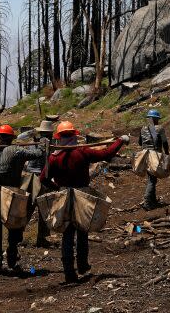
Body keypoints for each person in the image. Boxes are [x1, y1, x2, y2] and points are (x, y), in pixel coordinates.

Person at [40, 121, 129, 284]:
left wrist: (56, 187)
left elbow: (43, 178)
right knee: (82, 230)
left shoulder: (53, 158)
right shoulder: (82, 152)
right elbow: (106, 154)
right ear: (74, 135)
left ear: (58, 137)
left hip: (64, 195)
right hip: (82, 195)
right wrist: (120, 141)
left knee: (67, 233)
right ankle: (82, 266)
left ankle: (69, 272)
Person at [0, 124, 45, 274]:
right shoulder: (17, 150)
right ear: (11, 138)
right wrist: (42, 145)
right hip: (12, 194)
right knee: (15, 226)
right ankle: (12, 258)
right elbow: (37, 154)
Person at [23, 119, 56, 247]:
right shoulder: (49, 144)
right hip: (41, 178)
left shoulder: (34, 142)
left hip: (31, 178)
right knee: (44, 209)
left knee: (28, 208)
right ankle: (41, 238)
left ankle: (18, 235)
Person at [138, 109, 170, 210]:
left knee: (152, 177)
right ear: (156, 119)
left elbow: (139, 142)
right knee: (152, 179)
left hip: (145, 155)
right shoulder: (159, 129)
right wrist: (167, 153)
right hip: (154, 155)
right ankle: (147, 202)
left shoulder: (143, 129)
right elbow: (164, 142)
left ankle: (153, 200)